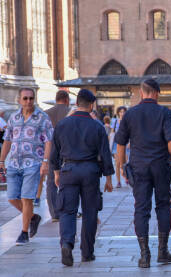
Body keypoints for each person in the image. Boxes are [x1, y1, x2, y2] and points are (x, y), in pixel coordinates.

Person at [115, 79, 171, 268]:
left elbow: (120, 144)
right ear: (157, 93)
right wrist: (168, 157)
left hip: (139, 167)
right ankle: (163, 251)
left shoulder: (130, 114)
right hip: (160, 165)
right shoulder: (164, 113)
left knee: (141, 208)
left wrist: (123, 166)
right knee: (163, 206)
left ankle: (144, 254)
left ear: (141, 93)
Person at [50, 89, 114, 266]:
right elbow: (105, 154)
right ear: (92, 105)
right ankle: (87, 252)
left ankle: (67, 244)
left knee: (67, 211)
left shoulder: (62, 125)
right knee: (90, 212)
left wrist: (56, 173)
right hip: (90, 171)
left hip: (68, 170)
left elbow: (54, 153)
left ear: (77, 103)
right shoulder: (97, 126)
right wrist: (108, 178)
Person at [0, 87, 53, 245]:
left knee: (26, 198)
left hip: (33, 163)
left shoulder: (43, 118)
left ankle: (24, 233)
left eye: (31, 98)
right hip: (14, 163)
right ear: (19, 100)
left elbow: (49, 141)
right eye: (25, 98)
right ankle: (33, 217)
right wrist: (2, 161)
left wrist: (45, 162)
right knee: (11, 198)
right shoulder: (14, 118)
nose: (28, 101)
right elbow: (7, 140)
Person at [43, 90, 71, 219]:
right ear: (66, 99)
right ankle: (68, 209)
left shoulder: (46, 113)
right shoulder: (70, 112)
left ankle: (54, 213)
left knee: (50, 183)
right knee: (69, 182)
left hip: (50, 151)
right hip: (67, 151)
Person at [111, 106, 127, 188]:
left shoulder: (128, 121)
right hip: (116, 144)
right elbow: (112, 133)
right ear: (118, 113)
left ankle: (127, 178)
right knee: (117, 163)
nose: (122, 113)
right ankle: (118, 182)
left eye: (123, 111)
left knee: (125, 163)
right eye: (121, 112)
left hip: (126, 144)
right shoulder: (114, 121)